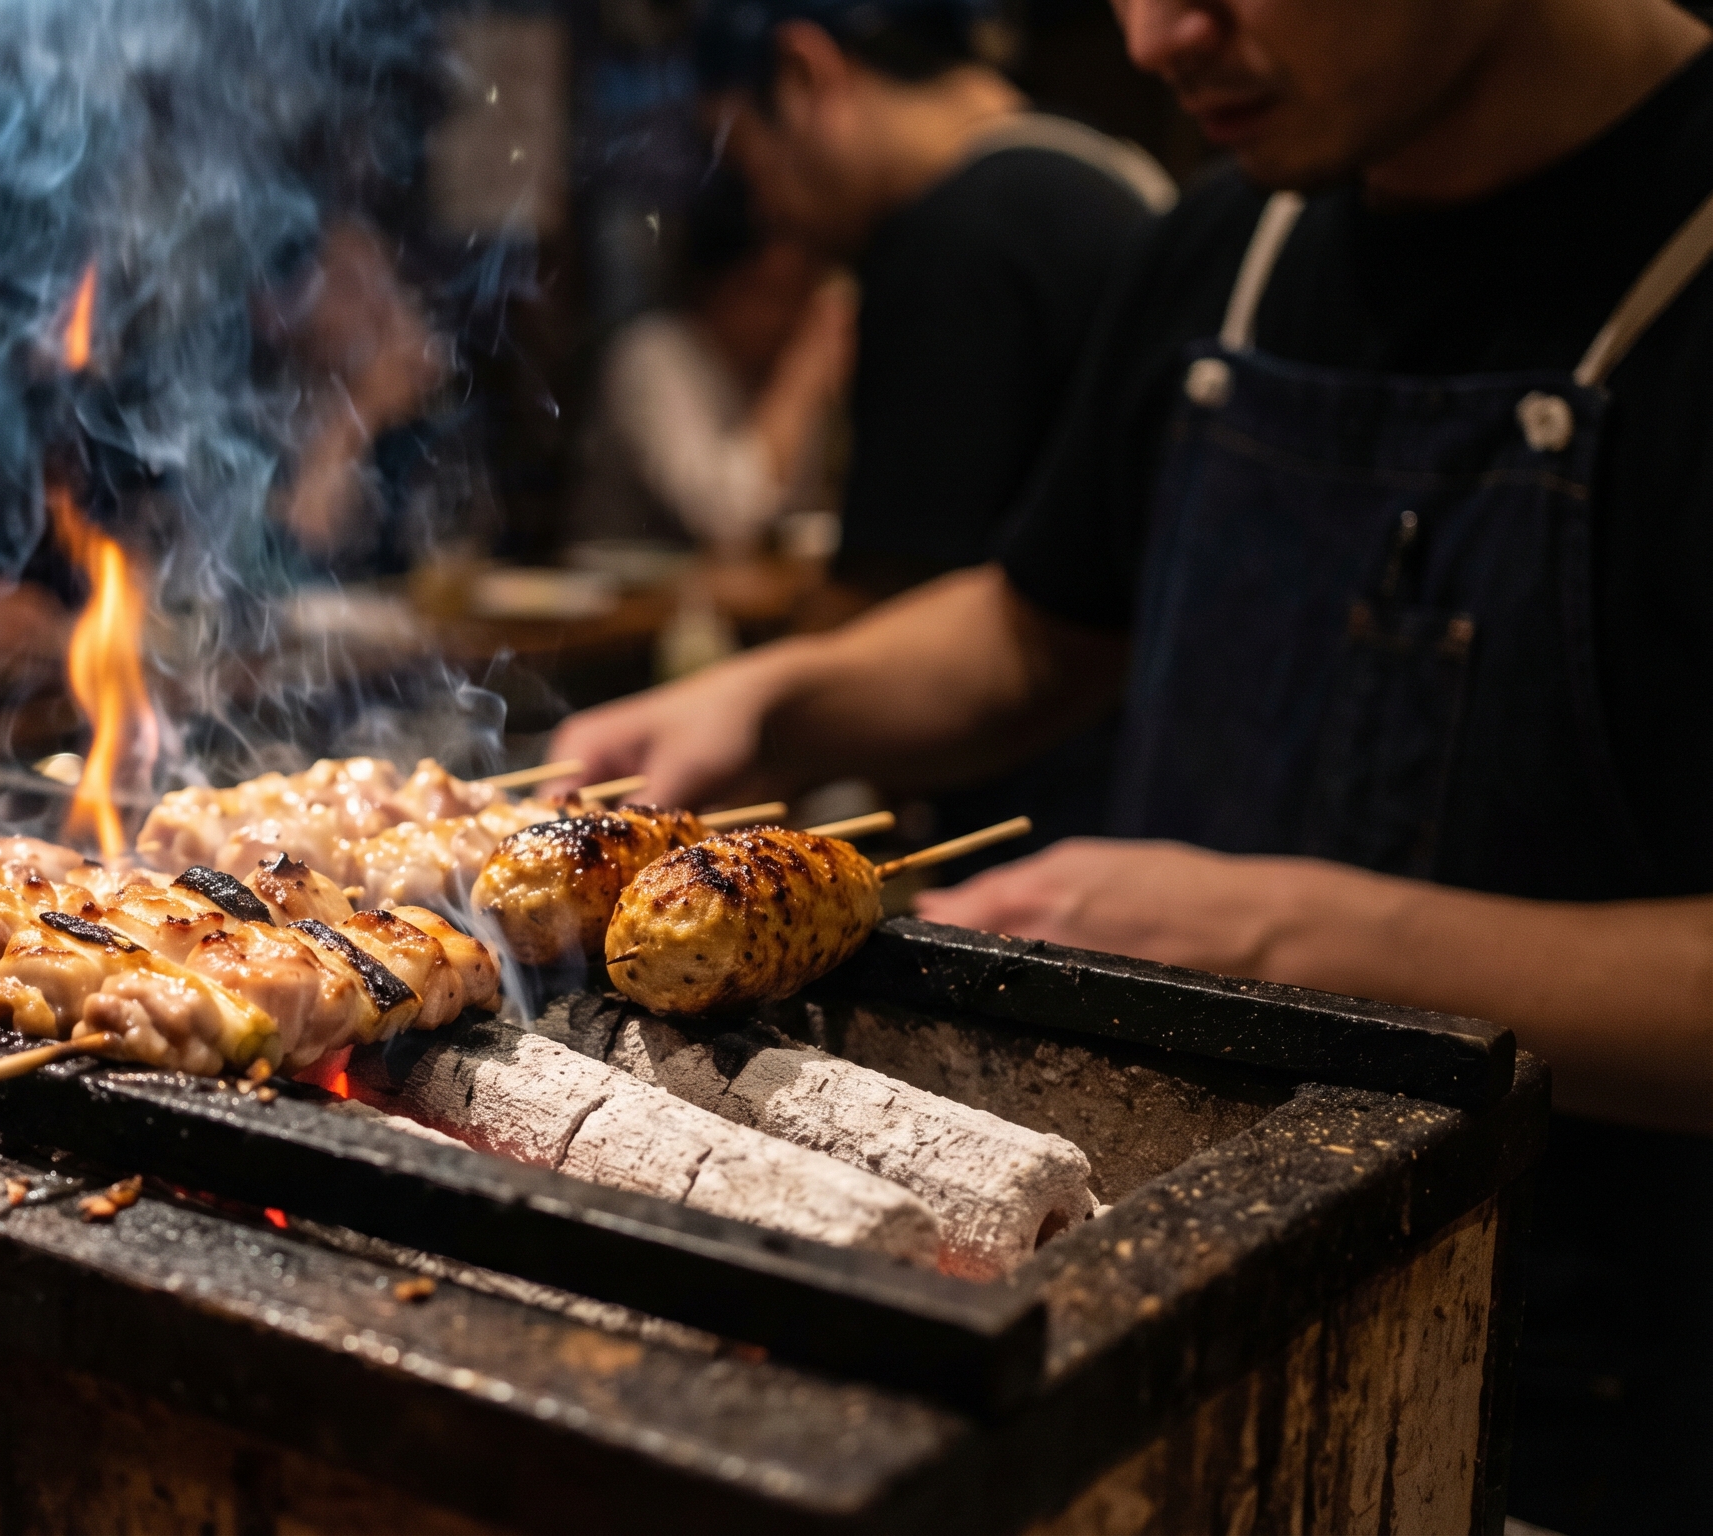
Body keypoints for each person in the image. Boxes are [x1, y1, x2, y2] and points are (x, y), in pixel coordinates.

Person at [552, 0, 1713, 1526]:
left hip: (1566, 1403)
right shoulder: (1232, 237)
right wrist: (778, 706)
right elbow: (1045, 626)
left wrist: (1276, 938)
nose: (1162, 35)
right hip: (1140, 1288)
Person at [688, 0, 1172, 860]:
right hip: (1138, 786)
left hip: (1046, 823)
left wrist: (728, 721)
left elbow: (893, 598)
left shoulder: (957, 234)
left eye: (750, 165)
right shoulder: (1095, 167)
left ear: (805, 77)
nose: (773, 217)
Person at [567, 167, 851, 556]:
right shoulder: (651, 354)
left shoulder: (775, 359)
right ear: (713, 288)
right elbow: (727, 518)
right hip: (629, 607)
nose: (793, 315)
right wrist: (802, 376)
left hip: (748, 603)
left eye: (804, 292)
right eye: (775, 293)